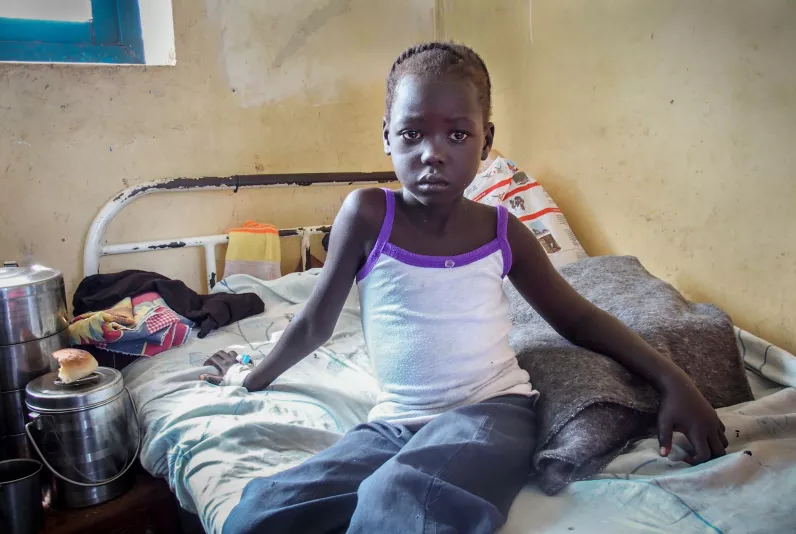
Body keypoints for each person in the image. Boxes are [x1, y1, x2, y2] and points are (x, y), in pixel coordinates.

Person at [202, 42, 727, 534]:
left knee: (400, 497)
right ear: (386, 135)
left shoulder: (502, 232)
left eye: (457, 135)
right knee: (260, 512)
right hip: (395, 424)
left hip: (490, 413)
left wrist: (675, 381)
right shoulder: (367, 214)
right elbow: (315, 322)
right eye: (412, 134)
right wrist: (250, 377)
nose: (433, 153)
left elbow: (580, 319)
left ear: (486, 140)